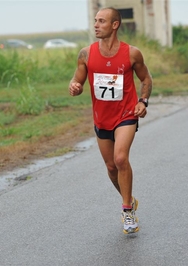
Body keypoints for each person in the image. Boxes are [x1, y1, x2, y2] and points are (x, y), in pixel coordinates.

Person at [68, 7, 152, 234]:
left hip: (125, 115)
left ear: (115, 25)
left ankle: (127, 211)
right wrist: (74, 87)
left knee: (121, 158)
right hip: (102, 119)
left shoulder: (132, 53)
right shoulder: (86, 53)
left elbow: (146, 78)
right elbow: (77, 80)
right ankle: (130, 199)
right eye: (95, 20)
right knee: (111, 167)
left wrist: (143, 101)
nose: (96, 24)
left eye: (101, 21)